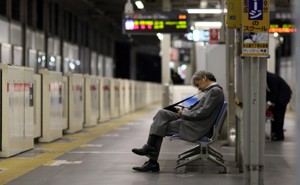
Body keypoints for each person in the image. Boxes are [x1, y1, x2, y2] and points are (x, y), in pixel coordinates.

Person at [132, 71, 225, 172]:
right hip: (194, 121)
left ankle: (152, 160)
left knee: (160, 125)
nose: (198, 88)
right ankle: (150, 148)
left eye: (198, 84)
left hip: (196, 127)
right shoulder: (213, 91)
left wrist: (184, 114)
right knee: (162, 113)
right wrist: (183, 110)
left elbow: (202, 113)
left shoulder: (214, 91)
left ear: (204, 78)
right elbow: (201, 110)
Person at [266, 71, 292, 141]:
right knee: (274, 115)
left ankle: (279, 136)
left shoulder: (271, 79)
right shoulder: (267, 78)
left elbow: (274, 93)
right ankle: (274, 132)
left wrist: (268, 105)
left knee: (279, 115)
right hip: (279, 96)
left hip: (283, 97)